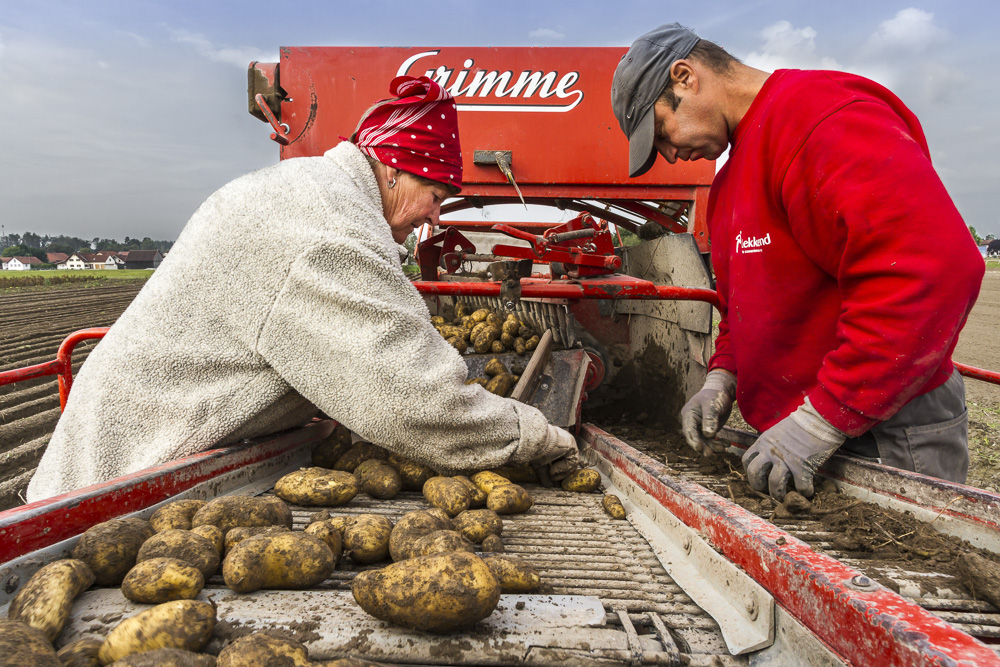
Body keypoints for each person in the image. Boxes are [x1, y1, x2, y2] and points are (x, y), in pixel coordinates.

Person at [26, 75, 578, 503]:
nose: (435, 215)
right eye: (435, 194)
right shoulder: (327, 229)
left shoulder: (315, 194)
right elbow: (409, 400)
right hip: (115, 482)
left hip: (153, 460)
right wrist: (537, 435)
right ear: (392, 171)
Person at [610, 23, 983, 499]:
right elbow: (747, 306)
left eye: (661, 131)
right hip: (805, 437)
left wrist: (823, 419)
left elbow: (929, 272)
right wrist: (723, 376)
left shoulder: (819, 117)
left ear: (684, 77)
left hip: (883, 432)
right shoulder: (728, 185)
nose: (669, 154)